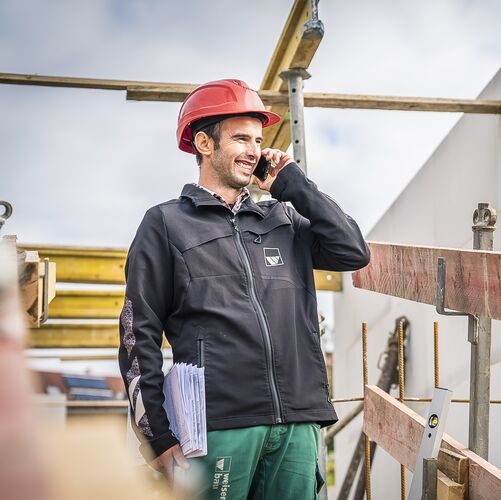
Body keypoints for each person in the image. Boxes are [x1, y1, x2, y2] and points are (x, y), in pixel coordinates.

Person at [118, 78, 370, 499]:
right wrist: (156, 436)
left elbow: (353, 251)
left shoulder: (282, 220)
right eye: (240, 138)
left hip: (298, 420)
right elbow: (136, 332)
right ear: (204, 143)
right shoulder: (165, 224)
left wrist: (293, 184)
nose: (254, 150)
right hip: (219, 427)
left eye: (258, 138)